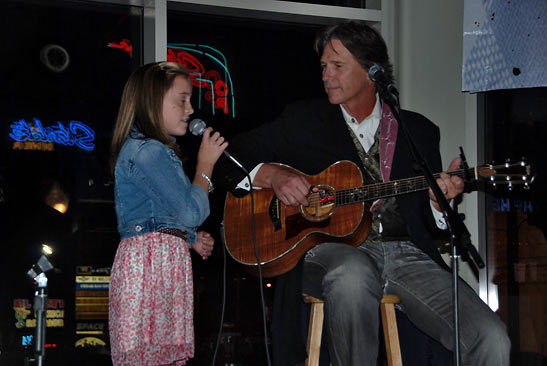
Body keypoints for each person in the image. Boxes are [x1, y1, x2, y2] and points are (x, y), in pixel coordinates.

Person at [214, 21, 510, 365]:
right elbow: (227, 158)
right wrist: (273, 176)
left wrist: (438, 201)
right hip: (329, 251)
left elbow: (429, 226)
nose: (326, 75)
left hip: (405, 254)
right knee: (353, 274)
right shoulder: (304, 120)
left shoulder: (418, 131)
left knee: (491, 338)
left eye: (338, 66)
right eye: (324, 66)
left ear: (373, 71)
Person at [108, 61, 227, 366]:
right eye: (182, 100)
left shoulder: (154, 150)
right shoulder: (148, 151)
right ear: (152, 102)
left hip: (159, 262)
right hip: (150, 269)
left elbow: (156, 219)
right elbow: (189, 211)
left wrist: (187, 239)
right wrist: (205, 167)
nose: (190, 110)